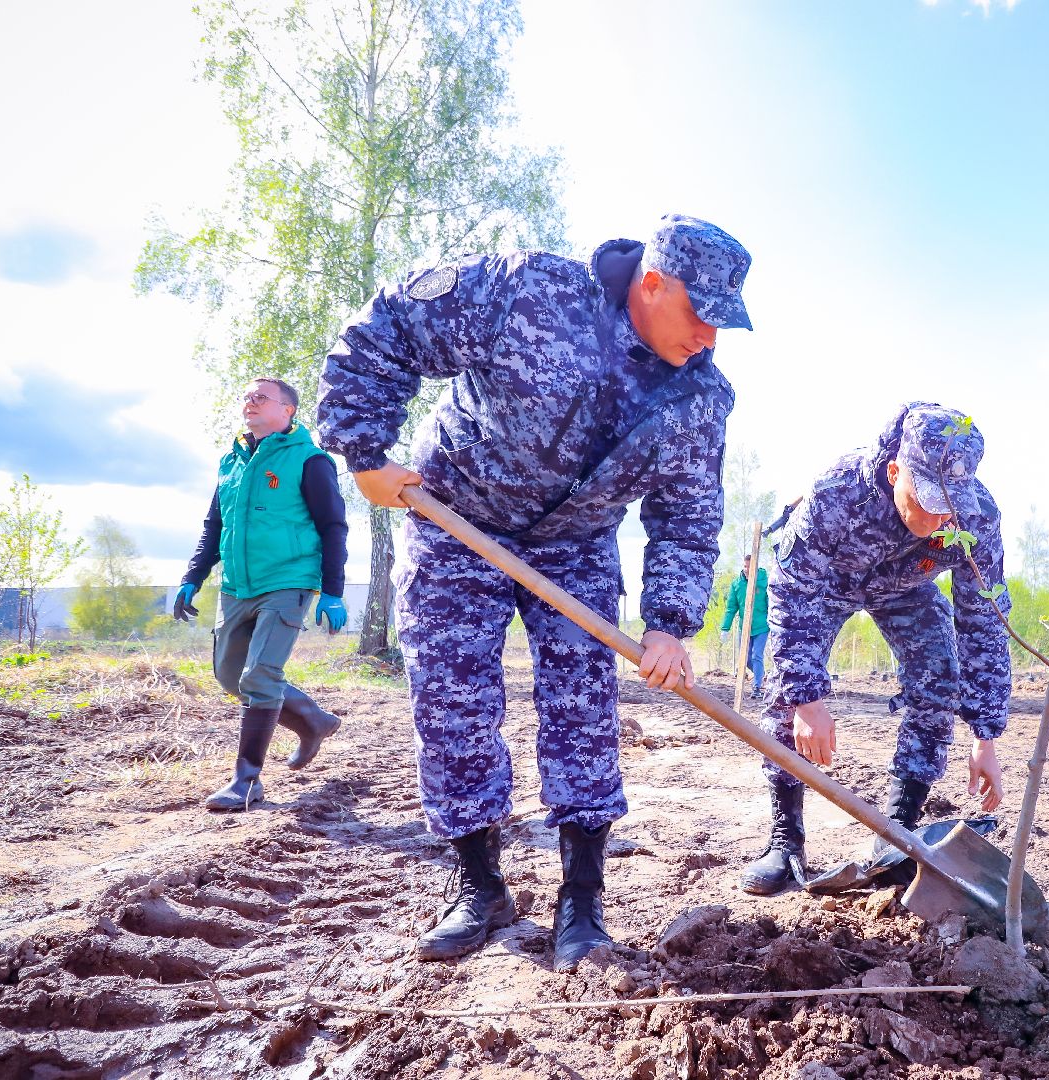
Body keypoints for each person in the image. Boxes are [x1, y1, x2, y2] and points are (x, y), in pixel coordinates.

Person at [316, 214, 752, 969]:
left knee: (583, 711)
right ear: (653, 283)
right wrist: (363, 452)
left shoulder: (701, 398)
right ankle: (479, 886)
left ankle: (581, 897)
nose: (708, 338)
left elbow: (687, 517)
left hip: (575, 547)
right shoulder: (528, 291)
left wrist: (669, 622)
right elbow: (387, 328)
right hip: (456, 518)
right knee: (452, 704)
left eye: (723, 323)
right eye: (699, 315)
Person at [740, 402, 1011, 896]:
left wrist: (985, 734)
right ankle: (784, 839)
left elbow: (984, 621)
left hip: (905, 589)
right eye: (926, 499)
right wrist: (807, 699)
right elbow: (793, 590)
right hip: (825, 586)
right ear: (893, 472)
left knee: (939, 675)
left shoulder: (977, 517)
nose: (938, 517)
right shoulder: (839, 491)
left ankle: (897, 834)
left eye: (948, 504)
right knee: (785, 690)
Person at [173, 377, 349, 811]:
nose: (250, 402)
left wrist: (333, 591)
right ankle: (312, 719)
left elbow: (333, 526)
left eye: (261, 397)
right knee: (230, 675)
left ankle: (246, 780)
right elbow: (215, 526)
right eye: (247, 396)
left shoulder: (310, 460)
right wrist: (193, 576)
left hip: (288, 580)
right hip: (237, 584)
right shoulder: (231, 461)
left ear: (288, 410)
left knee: (260, 675)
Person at [721, 552, 770, 698]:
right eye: (745, 566)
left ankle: (757, 687)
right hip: (745, 628)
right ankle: (760, 674)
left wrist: (775, 623)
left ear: (756, 566)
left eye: (750, 566)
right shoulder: (737, 584)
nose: (747, 569)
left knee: (756, 655)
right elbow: (731, 608)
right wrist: (725, 628)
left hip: (762, 626)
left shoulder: (764, 581)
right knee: (746, 659)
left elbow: (771, 603)